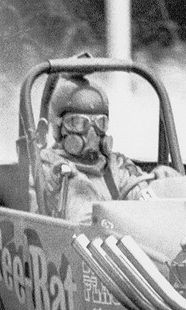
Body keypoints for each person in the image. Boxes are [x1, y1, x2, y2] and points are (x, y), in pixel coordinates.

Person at [36, 75, 169, 222]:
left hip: (119, 233)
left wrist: (163, 184)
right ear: (58, 127)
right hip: (73, 234)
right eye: (78, 122)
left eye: (100, 122)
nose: (91, 132)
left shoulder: (115, 165)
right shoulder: (47, 168)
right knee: (77, 185)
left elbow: (144, 198)